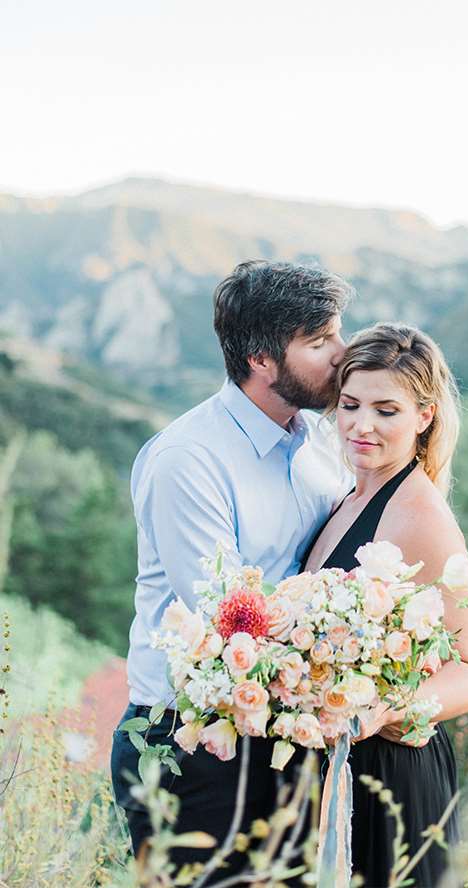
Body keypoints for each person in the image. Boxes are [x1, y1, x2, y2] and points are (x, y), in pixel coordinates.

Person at [110, 260, 354, 878]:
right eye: (320, 341)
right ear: (262, 361)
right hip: (188, 742)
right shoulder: (188, 460)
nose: (342, 353)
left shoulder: (323, 442)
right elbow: (228, 620)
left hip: (284, 734)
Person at [300, 323, 468, 887]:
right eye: (350, 405)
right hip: (342, 769)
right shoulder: (350, 495)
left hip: (393, 773)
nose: (362, 425)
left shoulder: (421, 514)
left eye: (386, 410)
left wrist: (385, 708)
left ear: (424, 416)